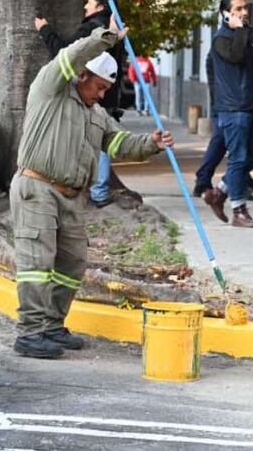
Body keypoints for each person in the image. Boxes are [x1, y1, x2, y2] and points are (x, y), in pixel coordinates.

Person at [11, 21, 173, 359]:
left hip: (70, 196)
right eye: (99, 87)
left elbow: (120, 144)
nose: (101, 95)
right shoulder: (50, 87)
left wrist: (152, 143)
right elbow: (74, 53)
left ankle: (52, 326)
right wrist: (107, 39)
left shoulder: (96, 114)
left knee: (72, 264)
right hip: (36, 188)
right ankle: (30, 332)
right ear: (82, 75)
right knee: (37, 263)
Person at [34, 0, 126, 208]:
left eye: (90, 2)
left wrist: (44, 29)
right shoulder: (111, 30)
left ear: (101, 7)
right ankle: (96, 190)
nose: (85, 6)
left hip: (91, 92)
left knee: (98, 137)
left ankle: (98, 192)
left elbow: (64, 54)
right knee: (101, 136)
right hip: (108, 93)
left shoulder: (92, 28)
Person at [204, 0, 253, 229]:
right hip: (234, 109)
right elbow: (237, 57)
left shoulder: (246, 36)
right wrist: (239, 30)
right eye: (238, 9)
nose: (244, 12)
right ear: (225, 13)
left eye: (245, 8)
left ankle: (219, 192)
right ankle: (238, 210)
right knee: (238, 158)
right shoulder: (222, 38)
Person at [193, 47, 253, 215]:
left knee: (244, 153)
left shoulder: (245, 41)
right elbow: (233, 66)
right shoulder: (222, 44)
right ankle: (209, 184)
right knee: (225, 144)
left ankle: (220, 188)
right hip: (228, 106)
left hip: (242, 105)